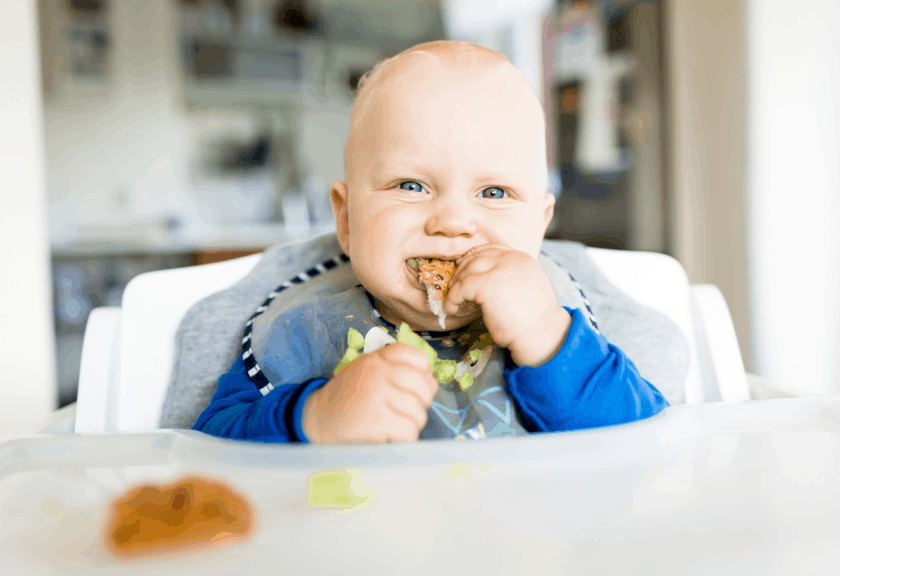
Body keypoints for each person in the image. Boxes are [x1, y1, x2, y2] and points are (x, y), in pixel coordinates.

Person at [187, 41, 674, 443]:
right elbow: (211, 444)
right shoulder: (305, 331)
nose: (454, 222)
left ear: (539, 226)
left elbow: (646, 443)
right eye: (411, 186)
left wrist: (546, 338)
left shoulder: (562, 329)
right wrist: (313, 417)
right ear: (348, 219)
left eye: (494, 192)